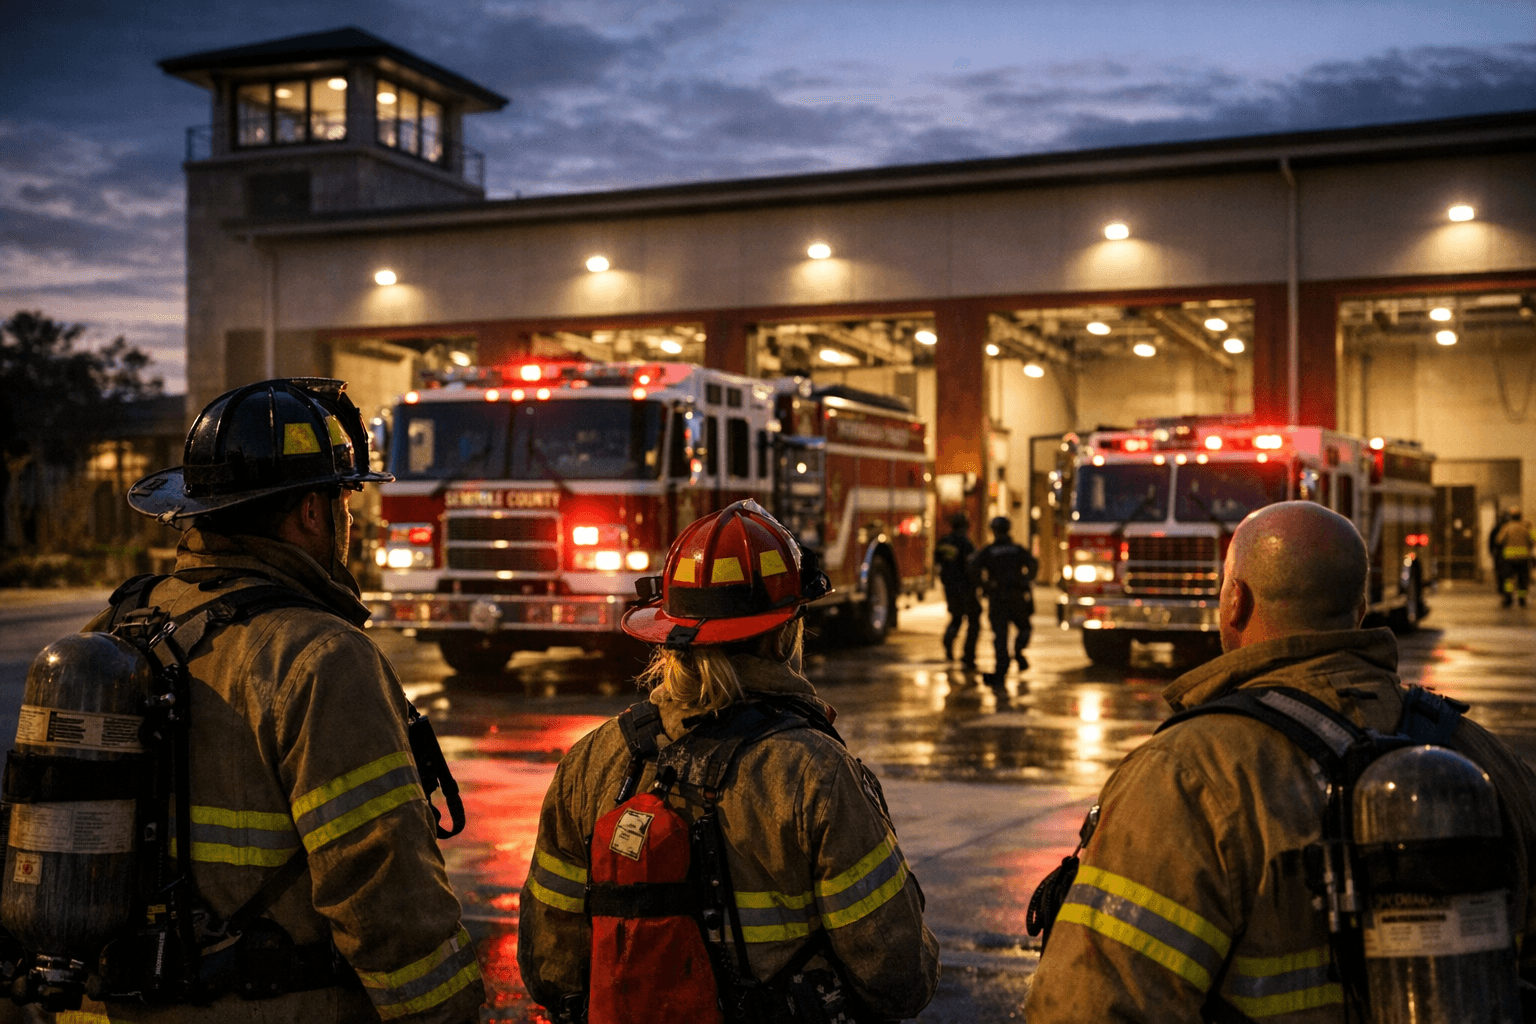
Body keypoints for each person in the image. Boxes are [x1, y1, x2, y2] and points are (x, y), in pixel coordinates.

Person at [1025, 501, 1536, 1022]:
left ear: (1234, 603)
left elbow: (1089, 1006)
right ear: (1359, 610)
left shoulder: (1187, 776)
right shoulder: (1491, 762)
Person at [75, 379, 484, 1024]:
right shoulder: (320, 656)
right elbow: (384, 894)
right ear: (314, 512)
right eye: (345, 500)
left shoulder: (114, 629)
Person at [518, 499, 940, 1022]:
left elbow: (549, 971)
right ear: (786, 630)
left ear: (669, 632)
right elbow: (897, 978)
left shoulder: (591, 761)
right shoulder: (816, 775)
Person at [969, 516, 1038, 673]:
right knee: (1024, 628)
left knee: (1000, 634)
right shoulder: (1017, 549)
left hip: (998, 597)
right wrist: (1025, 581)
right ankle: (1018, 652)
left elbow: (973, 568)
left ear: (993, 531)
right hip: (1016, 596)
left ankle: (1002, 664)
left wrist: (985, 586)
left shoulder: (988, 551)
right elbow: (1033, 564)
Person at [935, 510, 981, 666]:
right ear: (965, 526)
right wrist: (978, 584)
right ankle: (969, 655)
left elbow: (937, 562)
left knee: (956, 617)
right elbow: (972, 566)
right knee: (974, 620)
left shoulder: (943, 542)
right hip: (965, 587)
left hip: (949, 587)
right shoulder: (966, 544)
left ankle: (949, 640)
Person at [1496, 507, 1533, 608]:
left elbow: (1499, 540)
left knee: (1508, 579)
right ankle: (1522, 599)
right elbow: (1532, 541)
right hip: (1523, 557)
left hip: (1509, 557)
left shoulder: (1506, 527)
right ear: (1520, 516)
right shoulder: (1526, 527)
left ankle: (1508, 598)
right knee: (1522, 580)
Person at [1490, 508, 1511, 596]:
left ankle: (1506, 593)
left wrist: (1492, 552)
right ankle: (1509, 593)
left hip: (1501, 555)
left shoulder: (1498, 528)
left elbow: (1495, 541)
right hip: (1510, 556)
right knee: (1509, 577)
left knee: (1503, 576)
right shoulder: (1521, 527)